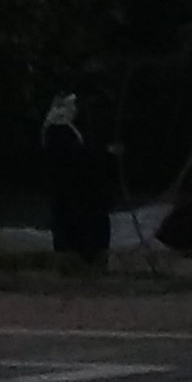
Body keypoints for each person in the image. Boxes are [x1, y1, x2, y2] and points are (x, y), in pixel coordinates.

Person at [40, 93, 115, 269]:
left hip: (79, 194)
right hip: (72, 194)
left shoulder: (67, 131)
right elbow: (73, 160)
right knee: (75, 226)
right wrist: (104, 153)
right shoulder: (58, 131)